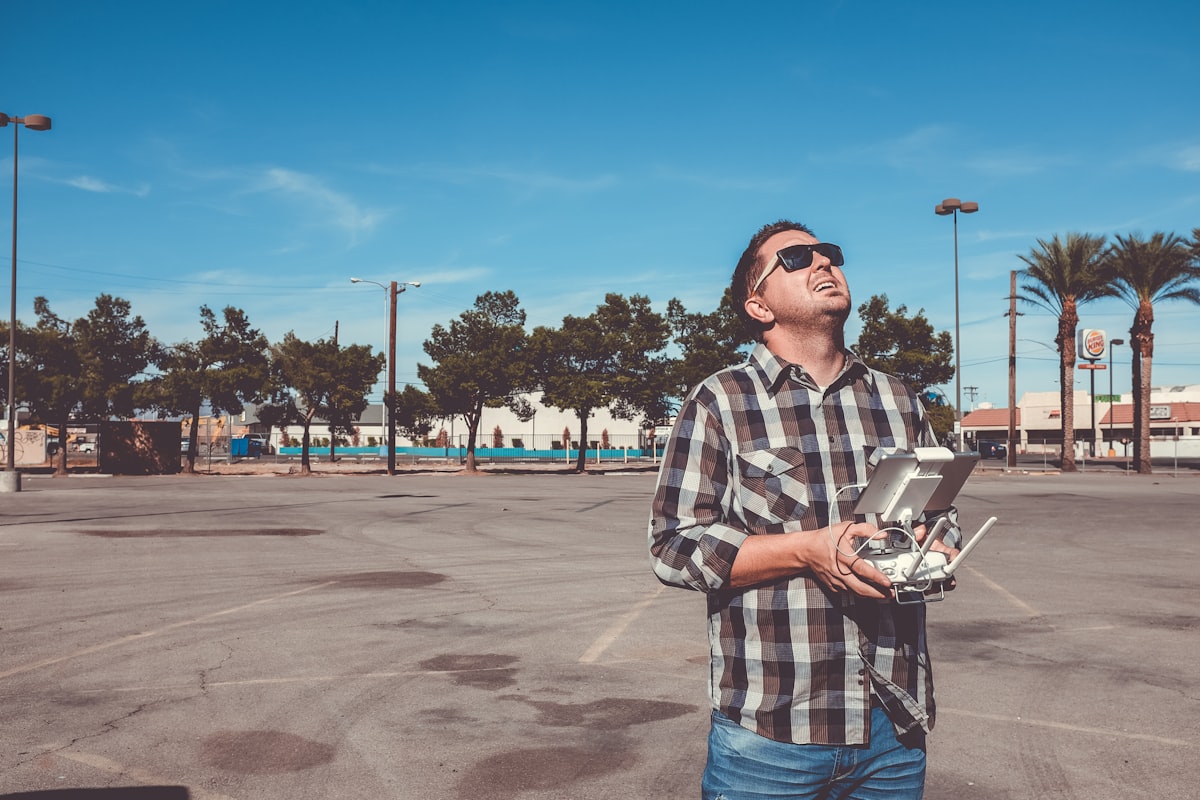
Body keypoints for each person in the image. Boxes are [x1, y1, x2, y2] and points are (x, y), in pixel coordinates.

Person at [648, 219, 961, 800]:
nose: (823, 263)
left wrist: (935, 544)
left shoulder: (899, 399)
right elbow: (673, 546)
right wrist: (808, 550)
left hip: (894, 728)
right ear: (758, 304)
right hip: (770, 735)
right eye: (795, 258)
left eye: (829, 253)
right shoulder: (720, 400)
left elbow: (937, 513)